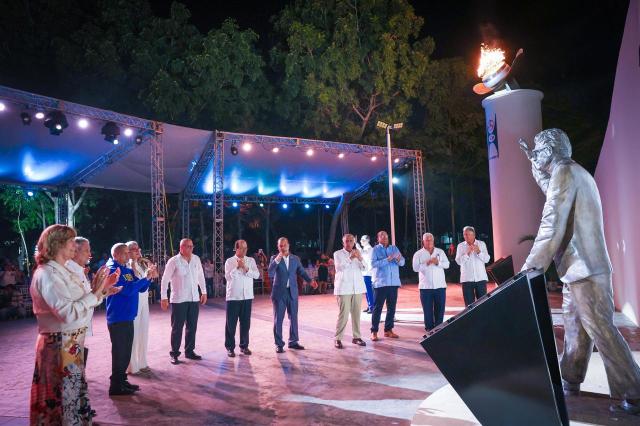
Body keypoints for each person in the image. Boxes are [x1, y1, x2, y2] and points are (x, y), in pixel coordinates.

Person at [519, 128, 640, 414]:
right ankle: (570, 379)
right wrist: (534, 166)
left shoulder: (565, 172)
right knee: (575, 328)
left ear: (550, 150)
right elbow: (553, 193)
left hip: (586, 269)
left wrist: (529, 269)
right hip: (578, 269)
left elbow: (551, 223)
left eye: (538, 149)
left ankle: (634, 390)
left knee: (601, 330)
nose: (535, 153)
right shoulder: (571, 172)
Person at [29, 225, 119, 424]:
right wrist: (96, 292)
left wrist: (100, 291)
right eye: (71, 242)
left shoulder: (61, 271)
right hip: (58, 342)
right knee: (62, 398)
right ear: (57, 244)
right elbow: (67, 313)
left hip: (69, 342)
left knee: (71, 394)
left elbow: (82, 302)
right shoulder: (48, 274)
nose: (74, 246)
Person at [105, 243, 154, 396]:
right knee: (120, 352)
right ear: (116, 255)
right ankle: (115, 385)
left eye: (128, 252)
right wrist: (144, 279)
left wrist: (148, 277)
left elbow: (141, 288)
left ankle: (122, 381)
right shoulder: (113, 269)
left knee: (125, 352)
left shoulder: (126, 269)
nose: (128, 255)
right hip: (118, 316)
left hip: (128, 316)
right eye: (125, 253)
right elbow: (127, 290)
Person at [160, 238, 207, 365]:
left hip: (193, 298)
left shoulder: (196, 259)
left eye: (192, 246)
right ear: (181, 247)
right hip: (179, 299)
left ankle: (189, 351)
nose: (191, 249)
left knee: (192, 326)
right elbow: (165, 279)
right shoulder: (173, 261)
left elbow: (200, 276)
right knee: (177, 328)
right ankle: (174, 353)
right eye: (188, 246)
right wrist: (163, 297)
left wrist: (204, 291)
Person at [268, 237, 317, 353]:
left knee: (293, 318)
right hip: (279, 293)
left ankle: (293, 342)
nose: (283, 247)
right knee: (278, 319)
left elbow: (302, 272)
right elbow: (270, 272)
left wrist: (310, 281)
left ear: (288, 245)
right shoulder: (274, 258)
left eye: (284, 245)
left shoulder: (295, 259)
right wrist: (277, 259)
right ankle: (279, 344)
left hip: (292, 292)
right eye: (280, 245)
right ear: (278, 247)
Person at [224, 240, 260, 357]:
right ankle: (230, 348)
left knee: (245, 323)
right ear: (236, 249)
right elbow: (228, 277)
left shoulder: (251, 260)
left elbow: (257, 275)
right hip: (233, 297)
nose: (244, 250)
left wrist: (245, 268)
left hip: (247, 296)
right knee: (231, 324)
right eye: (242, 248)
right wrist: (237, 267)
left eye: (246, 248)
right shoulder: (229, 261)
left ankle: (244, 346)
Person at [127, 241, 157, 376]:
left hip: (144, 300)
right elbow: (135, 284)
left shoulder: (141, 264)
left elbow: (149, 280)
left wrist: (151, 274)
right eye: (134, 249)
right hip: (133, 301)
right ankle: (132, 365)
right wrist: (147, 276)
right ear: (127, 252)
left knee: (144, 331)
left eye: (138, 248)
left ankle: (142, 362)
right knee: (134, 333)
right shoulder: (127, 266)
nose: (138, 251)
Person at [333, 234, 367, 349]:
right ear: (343, 243)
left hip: (357, 288)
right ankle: (338, 338)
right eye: (346, 241)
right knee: (343, 315)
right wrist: (350, 258)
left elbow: (365, 268)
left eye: (351, 241)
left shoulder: (357, 253)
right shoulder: (338, 254)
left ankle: (356, 337)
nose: (349, 243)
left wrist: (360, 258)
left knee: (356, 314)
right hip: (344, 289)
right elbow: (339, 268)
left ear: (354, 242)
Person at [370, 230, 405, 341]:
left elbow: (403, 262)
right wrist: (387, 260)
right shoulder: (375, 249)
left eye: (386, 236)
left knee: (391, 308)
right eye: (382, 236)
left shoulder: (394, 248)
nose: (385, 238)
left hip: (393, 283)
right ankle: (374, 331)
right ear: (378, 238)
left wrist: (399, 259)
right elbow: (373, 264)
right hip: (381, 284)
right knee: (377, 308)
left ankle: (388, 330)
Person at [65, 237, 95, 366]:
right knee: (71, 368)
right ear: (75, 251)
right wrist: (99, 290)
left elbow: (88, 296)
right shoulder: (68, 271)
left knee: (77, 369)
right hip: (71, 328)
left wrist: (102, 289)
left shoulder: (79, 270)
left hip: (80, 325)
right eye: (86, 250)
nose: (90, 254)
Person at [413, 233, 450, 332]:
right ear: (423, 241)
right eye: (427, 240)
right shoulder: (418, 254)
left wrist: (438, 263)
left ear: (433, 241)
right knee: (427, 310)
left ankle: (438, 329)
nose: (429, 242)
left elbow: (447, 265)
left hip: (440, 286)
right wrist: (427, 263)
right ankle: (429, 329)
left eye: (431, 240)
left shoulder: (440, 252)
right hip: (425, 287)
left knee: (440, 309)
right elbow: (415, 268)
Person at [455, 226, 490, 306]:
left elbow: (487, 259)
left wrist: (479, 252)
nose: (466, 236)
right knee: (469, 306)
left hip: (481, 278)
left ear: (474, 235)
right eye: (465, 234)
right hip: (467, 279)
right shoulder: (460, 246)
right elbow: (458, 261)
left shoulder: (481, 244)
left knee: (483, 304)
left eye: (468, 234)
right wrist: (467, 254)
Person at [358, 235, 375, 313]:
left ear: (367, 240)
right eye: (361, 240)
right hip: (364, 272)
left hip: (368, 273)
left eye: (363, 240)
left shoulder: (369, 248)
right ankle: (369, 305)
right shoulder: (365, 248)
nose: (361, 241)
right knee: (366, 290)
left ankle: (372, 307)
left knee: (369, 290)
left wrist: (357, 246)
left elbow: (363, 254)